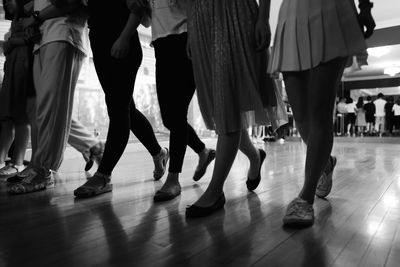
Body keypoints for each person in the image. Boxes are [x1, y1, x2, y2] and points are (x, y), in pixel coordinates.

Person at [269, 0, 375, 226]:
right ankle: (325, 162)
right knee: (301, 116)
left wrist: (365, 7)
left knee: (319, 111)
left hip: (332, 9)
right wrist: (261, 18)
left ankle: (305, 198)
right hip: (291, 13)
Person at [185, 0, 287, 218]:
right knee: (225, 107)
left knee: (228, 103)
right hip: (201, 19)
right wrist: (190, 29)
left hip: (234, 12)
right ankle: (255, 156)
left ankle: (215, 191)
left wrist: (263, 17)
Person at [73, 0, 170, 198]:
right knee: (126, 110)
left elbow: (138, 7)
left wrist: (124, 38)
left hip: (122, 41)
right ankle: (158, 152)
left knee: (118, 111)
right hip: (99, 44)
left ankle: (103, 175)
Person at [7, 0, 101, 194]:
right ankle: (38, 164)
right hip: (43, 37)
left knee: (52, 108)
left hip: (64, 33)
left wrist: (35, 18)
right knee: (42, 109)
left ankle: (45, 169)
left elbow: (69, 3)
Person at [128, 0, 217, 202]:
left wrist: (194, 36)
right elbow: (148, 22)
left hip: (185, 39)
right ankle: (203, 151)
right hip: (161, 44)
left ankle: (174, 178)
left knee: (177, 114)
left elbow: (197, 6)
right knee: (169, 118)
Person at [0, 0, 37, 180]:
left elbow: (33, 38)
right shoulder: (17, 17)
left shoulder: (31, 11)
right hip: (13, 64)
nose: (7, 3)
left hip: (24, 63)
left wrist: (11, 41)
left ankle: (18, 163)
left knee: (22, 116)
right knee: (7, 115)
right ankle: (1, 160)